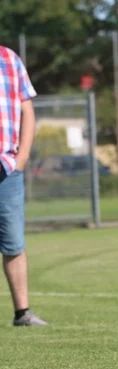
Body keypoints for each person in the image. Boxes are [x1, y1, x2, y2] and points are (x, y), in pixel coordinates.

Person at [0, 45, 46, 325]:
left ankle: (22, 313)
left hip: (7, 167)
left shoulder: (9, 58)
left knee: (14, 243)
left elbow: (27, 108)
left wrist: (23, 155)